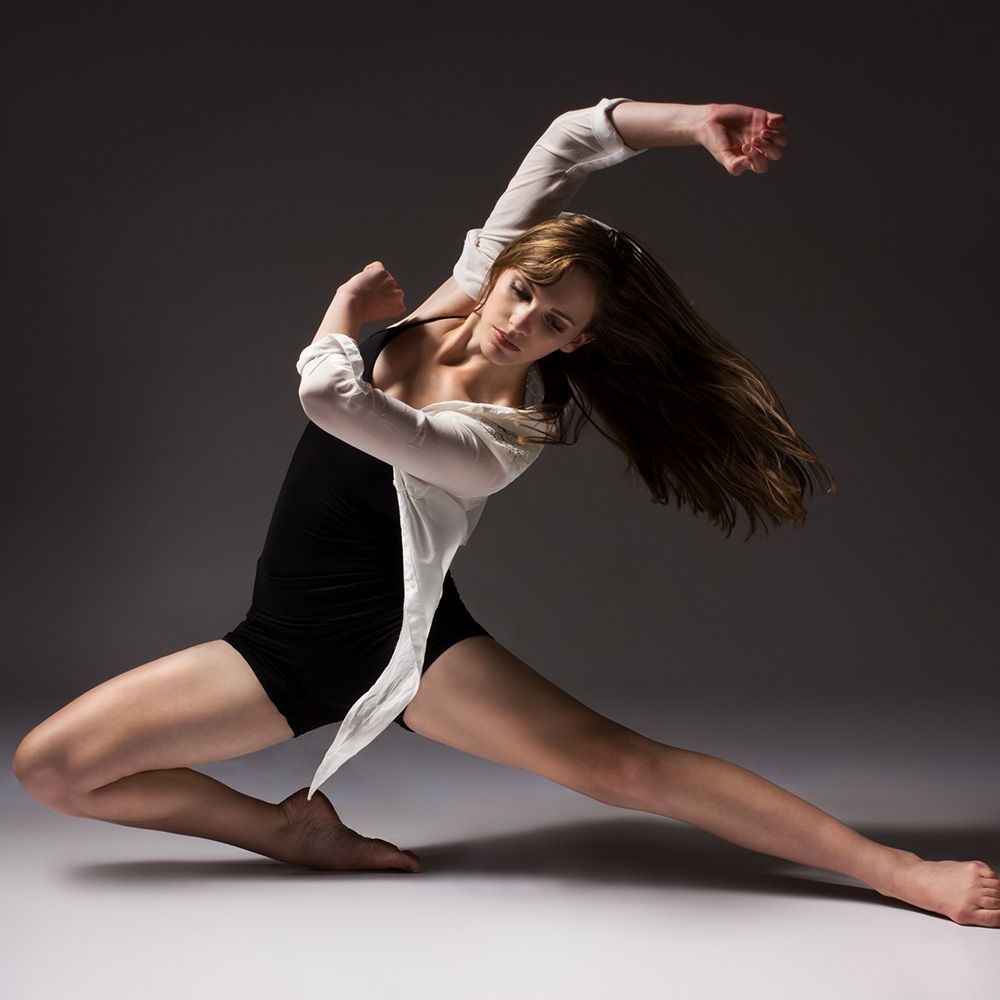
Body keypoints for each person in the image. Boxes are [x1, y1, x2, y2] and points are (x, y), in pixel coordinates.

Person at [12, 96, 998, 928]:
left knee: (623, 767)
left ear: (575, 344)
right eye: (523, 289)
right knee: (52, 767)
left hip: (404, 648)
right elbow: (571, 138)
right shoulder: (469, 293)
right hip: (278, 643)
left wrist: (342, 314)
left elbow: (330, 400)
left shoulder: (502, 437)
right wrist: (693, 121)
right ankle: (286, 829)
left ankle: (898, 871)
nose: (517, 317)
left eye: (553, 322)